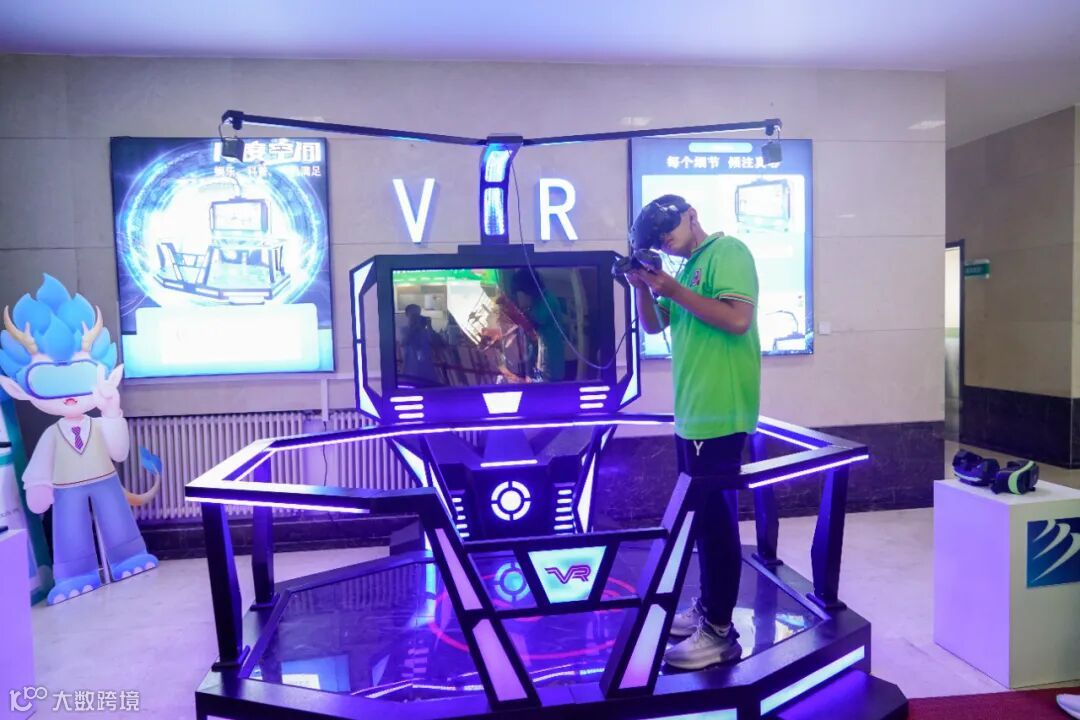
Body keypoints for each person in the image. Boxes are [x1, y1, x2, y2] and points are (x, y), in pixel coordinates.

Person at [626, 194, 761, 670]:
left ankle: (719, 634)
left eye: (669, 235)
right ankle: (708, 610)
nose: (666, 244)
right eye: (659, 242)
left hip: (720, 412)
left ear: (692, 216)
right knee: (704, 523)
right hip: (692, 414)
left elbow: (738, 320)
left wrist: (671, 287)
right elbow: (652, 325)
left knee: (718, 526)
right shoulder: (685, 271)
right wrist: (644, 287)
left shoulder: (728, 252)